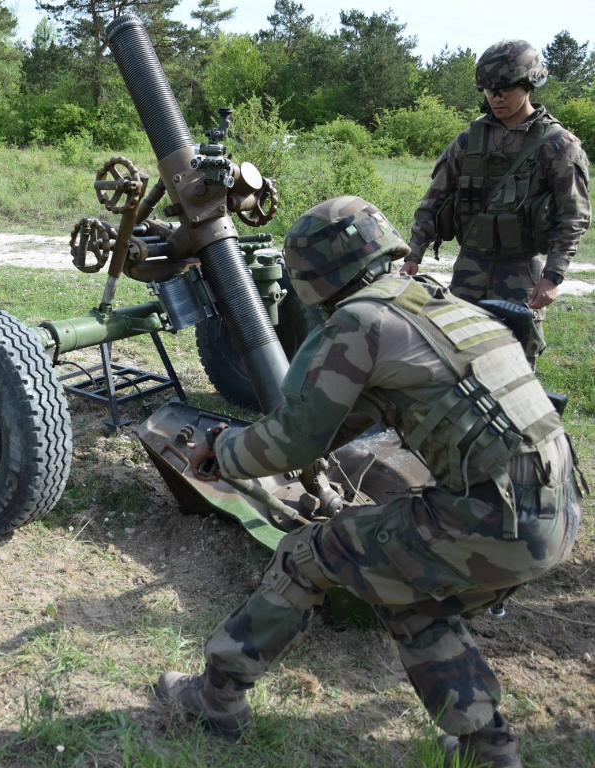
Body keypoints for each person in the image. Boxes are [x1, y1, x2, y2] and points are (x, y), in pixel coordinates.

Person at [158, 196, 583, 768]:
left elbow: (292, 442)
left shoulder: (359, 321)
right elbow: (355, 415)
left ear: (313, 274)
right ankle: (488, 748)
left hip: (492, 518)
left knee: (306, 554)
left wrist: (223, 454)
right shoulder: (438, 303)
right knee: (401, 584)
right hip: (556, 511)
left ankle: (216, 697)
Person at [401, 40, 591, 366]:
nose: (495, 98)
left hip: (521, 269)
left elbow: (572, 216)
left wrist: (553, 276)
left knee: (517, 361)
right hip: (469, 266)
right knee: (456, 356)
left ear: (529, 85)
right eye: (489, 90)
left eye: (504, 89)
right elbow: (435, 198)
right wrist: (413, 254)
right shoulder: (469, 140)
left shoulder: (558, 145)